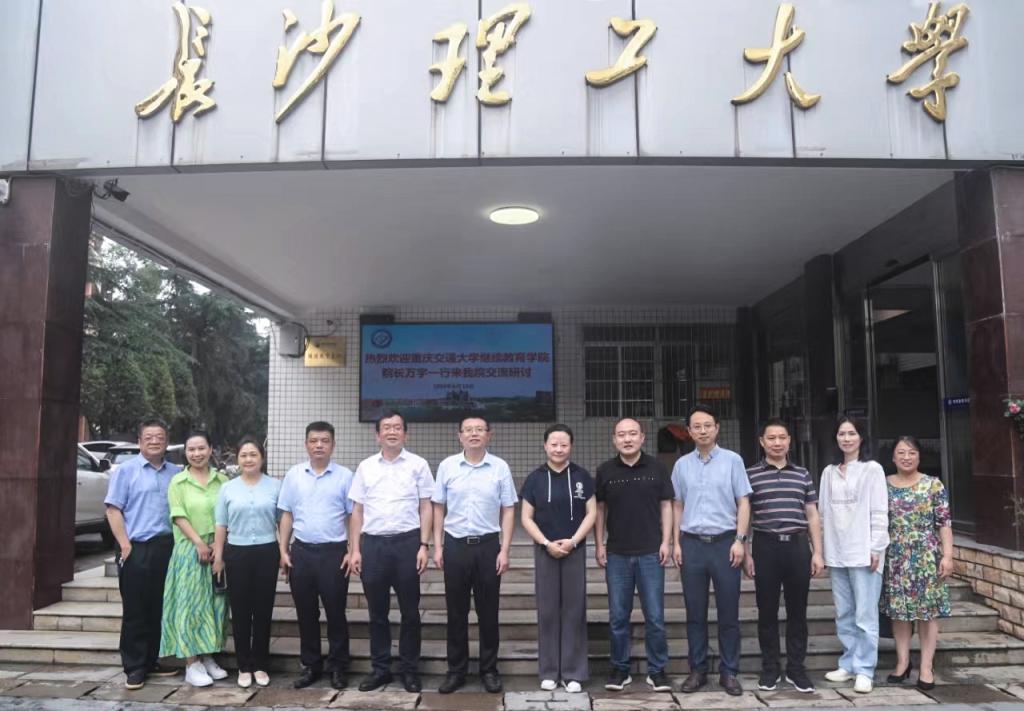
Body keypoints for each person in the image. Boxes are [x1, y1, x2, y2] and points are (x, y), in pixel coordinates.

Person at [348, 411, 434, 693]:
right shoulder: (365, 467)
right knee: (377, 613)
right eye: (386, 428)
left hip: (407, 544)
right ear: (378, 435)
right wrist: (355, 549)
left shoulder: (418, 465)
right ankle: (380, 669)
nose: (392, 432)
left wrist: (424, 545)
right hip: (373, 545)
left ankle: (409, 669)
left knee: (410, 612)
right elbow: (357, 511)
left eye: (397, 427)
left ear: (405, 434)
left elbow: (426, 507)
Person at [432, 416, 517, 694]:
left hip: (488, 546)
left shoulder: (500, 467)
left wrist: (505, 549)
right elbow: (438, 507)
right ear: (459, 436)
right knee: (456, 612)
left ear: (489, 435)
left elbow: (508, 509)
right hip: (455, 545)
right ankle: (456, 671)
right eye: (468, 430)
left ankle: (489, 670)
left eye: (479, 430)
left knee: (488, 612)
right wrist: (438, 546)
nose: (474, 434)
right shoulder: (447, 466)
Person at [672, 405, 752, 697]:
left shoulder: (733, 461)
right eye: (697, 426)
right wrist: (676, 542)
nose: (703, 431)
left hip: (725, 544)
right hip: (692, 544)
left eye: (708, 425)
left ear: (717, 428)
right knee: (695, 613)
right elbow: (677, 504)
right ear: (689, 431)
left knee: (728, 612)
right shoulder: (681, 465)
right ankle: (698, 670)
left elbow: (744, 502)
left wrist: (740, 540)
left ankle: (729, 672)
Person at [744, 419, 824, 694]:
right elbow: (745, 516)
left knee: (797, 611)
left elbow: (812, 514)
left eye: (782, 438)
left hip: (797, 547)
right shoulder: (750, 475)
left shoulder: (802, 474)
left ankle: (796, 668)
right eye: (771, 438)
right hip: (765, 547)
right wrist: (746, 551)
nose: (777, 443)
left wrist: (818, 552)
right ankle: (770, 668)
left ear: (789, 441)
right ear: (762, 442)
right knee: (766, 611)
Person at [594, 418, 673, 694]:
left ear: (642, 437)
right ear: (614, 439)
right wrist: (599, 544)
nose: (627, 439)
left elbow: (666, 505)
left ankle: (657, 670)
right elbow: (599, 509)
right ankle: (620, 668)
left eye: (632, 434)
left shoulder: (657, 468)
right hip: (617, 553)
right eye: (621, 435)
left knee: (655, 616)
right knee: (618, 615)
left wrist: (666, 541)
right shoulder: (605, 470)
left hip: (651, 552)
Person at [104, 418, 182, 690]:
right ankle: (135, 666)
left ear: (166, 441)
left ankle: (152, 660)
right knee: (135, 609)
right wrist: (124, 544)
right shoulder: (126, 471)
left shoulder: (175, 472)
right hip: (135, 547)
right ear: (139, 442)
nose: (154, 441)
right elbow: (113, 509)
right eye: (149, 437)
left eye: (160, 436)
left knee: (159, 607)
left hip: (167, 547)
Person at [520, 424, 597, 693]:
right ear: (545, 446)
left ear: (571, 446)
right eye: (554, 444)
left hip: (574, 549)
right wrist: (545, 543)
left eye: (564, 444)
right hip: (546, 551)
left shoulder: (582, 476)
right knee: (548, 610)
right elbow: (525, 517)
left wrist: (574, 541)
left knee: (574, 609)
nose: (559, 449)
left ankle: (573, 672)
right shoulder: (535, 479)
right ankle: (549, 671)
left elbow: (592, 513)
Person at [278, 422, 355, 690]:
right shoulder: (294, 475)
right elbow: (287, 514)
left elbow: (353, 516)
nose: (319, 445)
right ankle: (311, 665)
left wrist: (353, 550)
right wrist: (283, 550)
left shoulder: (345, 476)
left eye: (324, 441)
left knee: (336, 612)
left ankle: (338, 666)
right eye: (314, 441)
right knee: (305, 612)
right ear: (306, 444)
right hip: (302, 553)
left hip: (334, 553)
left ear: (333, 445)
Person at [819, 416, 889, 694]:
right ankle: (848, 663)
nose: (846, 438)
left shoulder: (872, 469)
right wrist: (821, 549)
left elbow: (880, 511)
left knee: (865, 615)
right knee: (844, 612)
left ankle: (865, 669)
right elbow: (822, 513)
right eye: (841, 433)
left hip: (864, 553)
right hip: (837, 552)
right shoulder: (829, 472)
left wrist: (876, 547)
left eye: (852, 433)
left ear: (861, 437)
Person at [881, 435, 953, 692]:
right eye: (901, 452)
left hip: (926, 558)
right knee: (899, 612)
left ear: (919, 456)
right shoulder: (883, 484)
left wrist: (948, 555)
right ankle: (902, 662)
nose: (906, 457)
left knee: (927, 613)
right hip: (895, 557)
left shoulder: (933, 485)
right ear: (893, 457)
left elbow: (944, 522)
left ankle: (926, 666)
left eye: (911, 452)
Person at [159, 431, 229, 688]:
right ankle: (192, 663)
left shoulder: (223, 481)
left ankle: (208, 656)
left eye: (201, 448)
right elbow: (178, 515)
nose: (197, 454)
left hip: (218, 548)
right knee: (190, 606)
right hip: (190, 549)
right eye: (191, 449)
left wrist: (217, 546)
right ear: (185, 453)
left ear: (211, 449)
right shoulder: (178, 482)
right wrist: (199, 543)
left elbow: (228, 515)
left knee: (216, 604)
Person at [213, 436, 282, 689]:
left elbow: (282, 521)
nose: (248, 459)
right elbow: (221, 524)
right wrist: (218, 557)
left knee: (263, 610)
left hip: (267, 552)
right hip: (237, 553)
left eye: (253, 454)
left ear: (262, 458)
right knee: (240, 611)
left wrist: (284, 551)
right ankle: (244, 665)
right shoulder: (227, 488)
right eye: (244, 455)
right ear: (238, 459)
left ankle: (261, 664)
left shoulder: (275, 486)